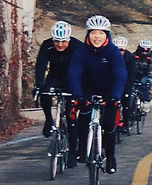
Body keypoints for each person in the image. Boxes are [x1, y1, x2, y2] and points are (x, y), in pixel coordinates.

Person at [67, 15, 127, 173]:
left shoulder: (113, 52)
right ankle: (82, 148)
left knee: (108, 123)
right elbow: (74, 74)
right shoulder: (81, 51)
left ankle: (111, 156)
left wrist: (115, 96)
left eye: (101, 33)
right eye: (93, 33)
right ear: (88, 34)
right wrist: (78, 95)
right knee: (84, 115)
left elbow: (120, 75)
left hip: (109, 89)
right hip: (88, 87)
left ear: (107, 35)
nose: (97, 37)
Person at [33, 20, 77, 148]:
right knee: (45, 94)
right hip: (55, 75)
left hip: (71, 78)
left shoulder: (77, 46)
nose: (60, 44)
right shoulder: (47, 45)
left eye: (64, 41)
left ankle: (73, 147)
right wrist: (39, 85)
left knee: (70, 114)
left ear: (69, 39)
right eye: (57, 41)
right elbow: (41, 66)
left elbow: (83, 67)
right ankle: (49, 120)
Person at [130, 37, 152, 102]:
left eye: (146, 51)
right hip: (135, 73)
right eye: (142, 51)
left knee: (144, 83)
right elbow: (130, 67)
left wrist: (149, 79)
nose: (144, 53)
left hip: (146, 74)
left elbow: (151, 69)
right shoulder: (133, 56)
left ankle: (146, 101)